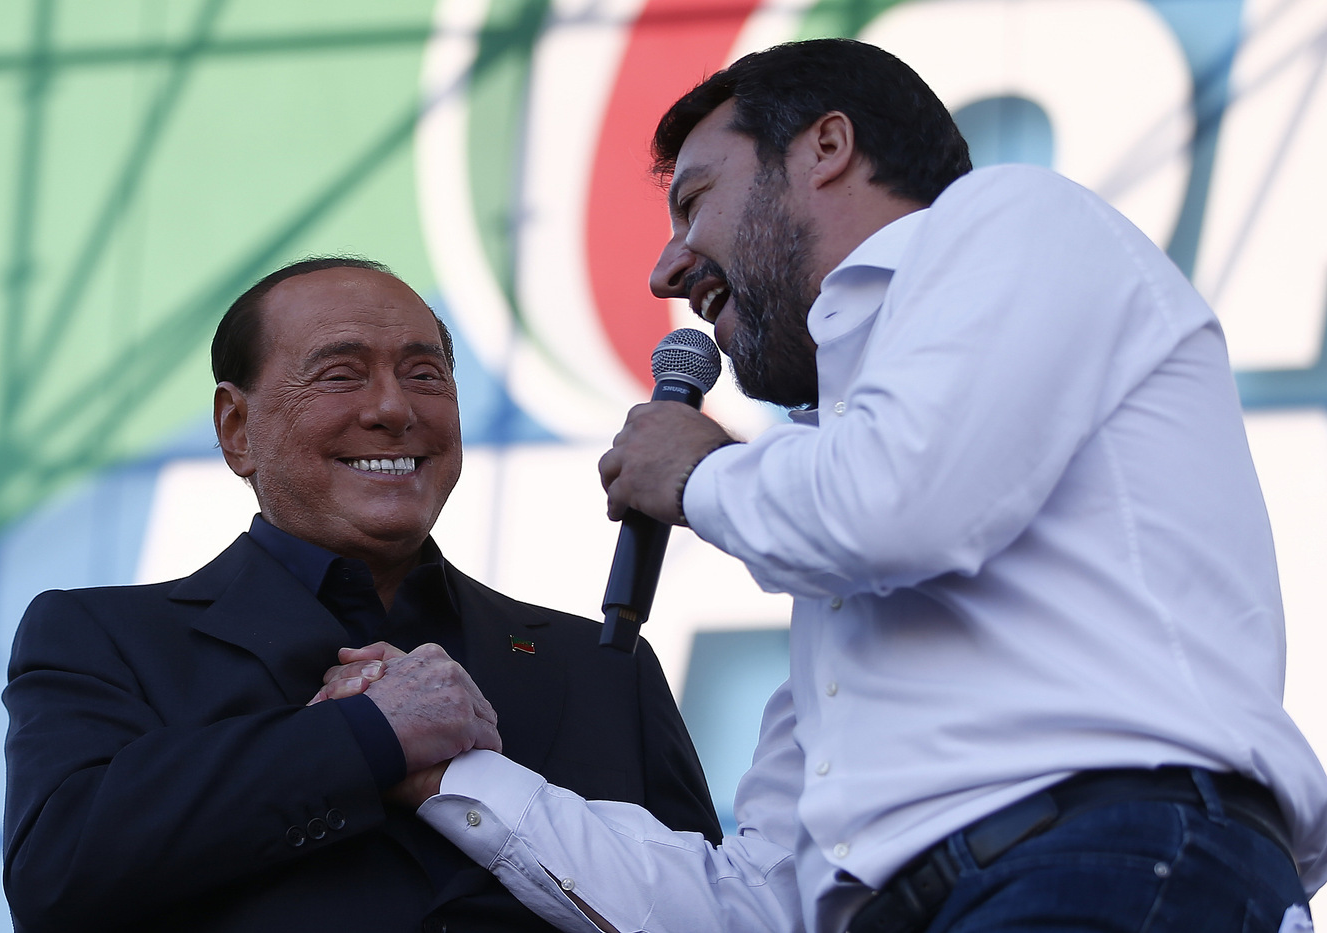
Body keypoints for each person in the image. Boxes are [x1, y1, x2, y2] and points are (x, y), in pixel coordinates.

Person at [380, 38, 1327, 933]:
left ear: (826, 147)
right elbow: (763, 899)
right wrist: (457, 778)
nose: (668, 269)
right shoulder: (848, 503)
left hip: (1098, 860)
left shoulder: (1013, 218)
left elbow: (896, 504)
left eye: (697, 200)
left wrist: (696, 468)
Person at [1, 257, 721, 933]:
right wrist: (367, 737)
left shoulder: (602, 666)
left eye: (425, 375)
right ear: (236, 428)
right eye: (341, 375)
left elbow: (710, 909)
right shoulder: (109, 637)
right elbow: (57, 876)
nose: (393, 408)